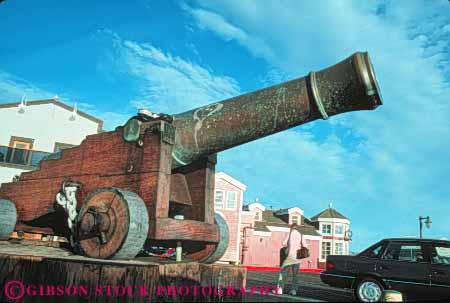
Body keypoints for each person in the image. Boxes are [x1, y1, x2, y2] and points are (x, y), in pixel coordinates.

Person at [276, 223, 307, 296]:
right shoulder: (301, 235)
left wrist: (289, 245)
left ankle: (280, 289)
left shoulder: (289, 234)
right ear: (297, 228)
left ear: (291, 228)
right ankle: (293, 290)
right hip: (297, 258)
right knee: (295, 274)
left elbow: (283, 243)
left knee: (283, 273)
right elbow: (305, 245)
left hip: (289, 256)